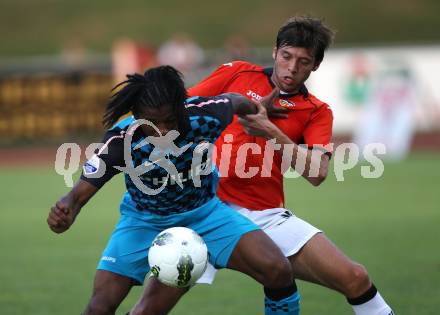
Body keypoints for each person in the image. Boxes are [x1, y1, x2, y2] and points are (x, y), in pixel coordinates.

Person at [135, 17, 395, 315]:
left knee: (356, 278)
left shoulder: (316, 112)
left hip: (265, 215)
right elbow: (181, 109)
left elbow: (317, 173)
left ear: (316, 65)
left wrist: (269, 129)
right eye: (286, 56)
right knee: (148, 310)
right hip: (203, 210)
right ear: (274, 52)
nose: (292, 67)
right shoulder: (237, 74)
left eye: (303, 61)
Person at [46, 66, 295, 315]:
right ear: (137, 115)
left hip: (206, 215)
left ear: (180, 108)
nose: (162, 130)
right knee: (100, 307)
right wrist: (67, 209)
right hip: (143, 221)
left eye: (169, 120)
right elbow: (80, 191)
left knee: (278, 270)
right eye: (152, 123)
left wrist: (259, 110)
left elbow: (236, 101)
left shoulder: (205, 114)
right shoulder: (122, 139)